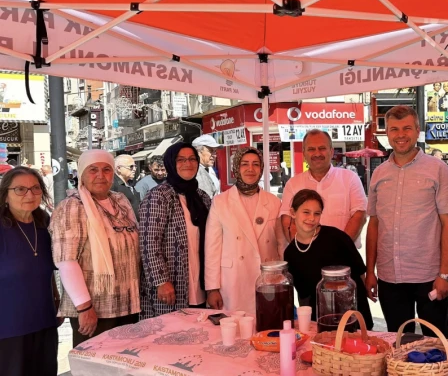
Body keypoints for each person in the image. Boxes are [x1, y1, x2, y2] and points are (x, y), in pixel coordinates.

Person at [365, 105, 448, 337]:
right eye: (394, 129)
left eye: (407, 128)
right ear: (387, 133)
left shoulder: (438, 170)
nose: (400, 135)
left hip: (430, 277)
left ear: (418, 130)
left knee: (436, 344)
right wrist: (370, 271)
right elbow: (374, 225)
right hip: (390, 277)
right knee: (399, 342)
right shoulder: (379, 174)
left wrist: (445, 275)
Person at [50, 150, 140, 347]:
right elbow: (66, 261)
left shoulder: (120, 201)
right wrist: (84, 307)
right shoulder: (72, 207)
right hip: (95, 308)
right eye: (93, 170)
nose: (100, 175)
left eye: (106, 169)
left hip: (128, 303)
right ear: (81, 174)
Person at [205, 147, 284, 315]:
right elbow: (212, 249)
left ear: (261, 169)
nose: (250, 169)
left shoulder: (274, 202)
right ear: (236, 168)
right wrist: (212, 289)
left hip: (268, 278)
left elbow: (281, 244)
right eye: (245, 164)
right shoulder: (221, 202)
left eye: (256, 164)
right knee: (236, 326)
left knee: (268, 324)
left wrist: (284, 277)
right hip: (233, 280)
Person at [138, 143, 211, 318]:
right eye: (181, 160)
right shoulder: (159, 196)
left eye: (192, 159)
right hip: (171, 286)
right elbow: (148, 243)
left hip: (200, 285)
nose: (188, 163)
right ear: (171, 163)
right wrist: (161, 281)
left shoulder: (202, 197)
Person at [283, 189, 373, 329]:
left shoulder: (337, 237)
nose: (311, 218)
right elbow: (303, 295)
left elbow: (359, 271)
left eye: (317, 213)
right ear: (293, 212)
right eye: (306, 212)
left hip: (352, 314)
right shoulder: (290, 253)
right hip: (322, 318)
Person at [0, 167, 60, 376]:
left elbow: (47, 269)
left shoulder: (45, 224)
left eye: (35, 188)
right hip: (8, 326)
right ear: (5, 195)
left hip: (44, 319)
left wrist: (56, 297)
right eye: (20, 189)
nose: (30, 194)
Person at [279, 129, 366, 248]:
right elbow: (287, 221)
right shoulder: (293, 184)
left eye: (322, 148)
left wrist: (338, 249)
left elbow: (359, 216)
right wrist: (304, 250)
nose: (317, 153)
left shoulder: (350, 179)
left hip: (343, 254)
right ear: (304, 153)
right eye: (311, 149)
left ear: (331, 151)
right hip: (306, 255)